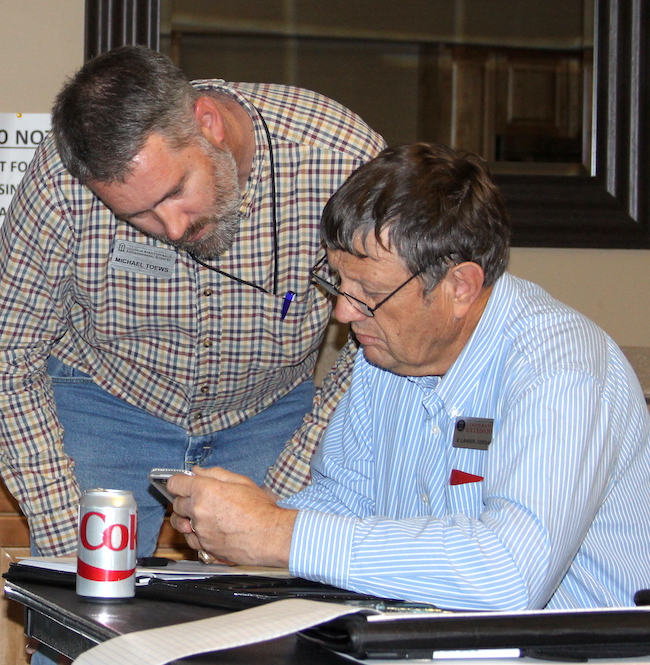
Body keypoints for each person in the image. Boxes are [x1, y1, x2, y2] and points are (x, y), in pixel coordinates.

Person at [168, 142, 650, 611]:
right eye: (338, 281)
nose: (342, 312)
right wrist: (238, 528)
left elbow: (509, 574)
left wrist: (279, 534)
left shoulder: (562, 370)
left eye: (368, 290)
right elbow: (344, 501)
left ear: (460, 286)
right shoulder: (387, 356)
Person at [0, 45, 385, 560]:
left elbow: (377, 334)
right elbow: (9, 354)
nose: (174, 229)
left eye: (177, 189)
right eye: (139, 216)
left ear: (208, 122)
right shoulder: (60, 181)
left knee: (268, 616)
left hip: (265, 409)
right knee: (83, 613)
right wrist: (71, 544)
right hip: (106, 402)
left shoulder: (343, 161)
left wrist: (282, 500)